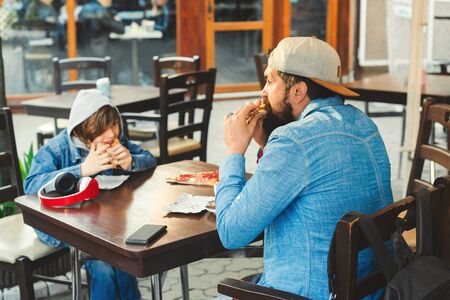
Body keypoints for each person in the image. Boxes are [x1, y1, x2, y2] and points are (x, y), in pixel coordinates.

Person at [216, 36, 393, 299]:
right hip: (369, 290)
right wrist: (266, 143)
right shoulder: (363, 124)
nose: (263, 91)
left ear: (298, 91)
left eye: (270, 80)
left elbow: (231, 232)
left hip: (308, 293)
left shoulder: (292, 141)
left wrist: (234, 150)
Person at [24, 89, 157, 300]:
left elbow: (150, 159)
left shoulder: (116, 140)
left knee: (125, 262)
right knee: (106, 267)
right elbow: (30, 186)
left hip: (105, 227)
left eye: (114, 124)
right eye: (102, 129)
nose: (112, 134)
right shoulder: (57, 149)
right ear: (83, 129)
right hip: (66, 226)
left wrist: (131, 161)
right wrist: (82, 170)